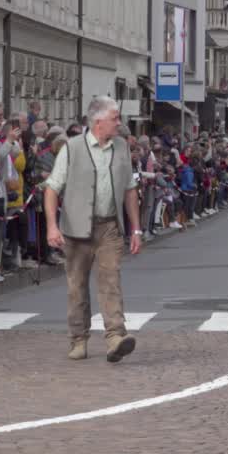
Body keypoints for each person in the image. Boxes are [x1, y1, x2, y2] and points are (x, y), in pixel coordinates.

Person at [43, 96, 143, 363]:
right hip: (76, 230)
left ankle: (115, 338)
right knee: (77, 286)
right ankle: (78, 339)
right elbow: (52, 188)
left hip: (109, 225)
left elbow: (130, 190)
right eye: (115, 118)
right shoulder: (72, 148)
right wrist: (52, 227)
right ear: (98, 121)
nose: (119, 123)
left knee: (111, 281)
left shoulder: (121, 147)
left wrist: (136, 229)